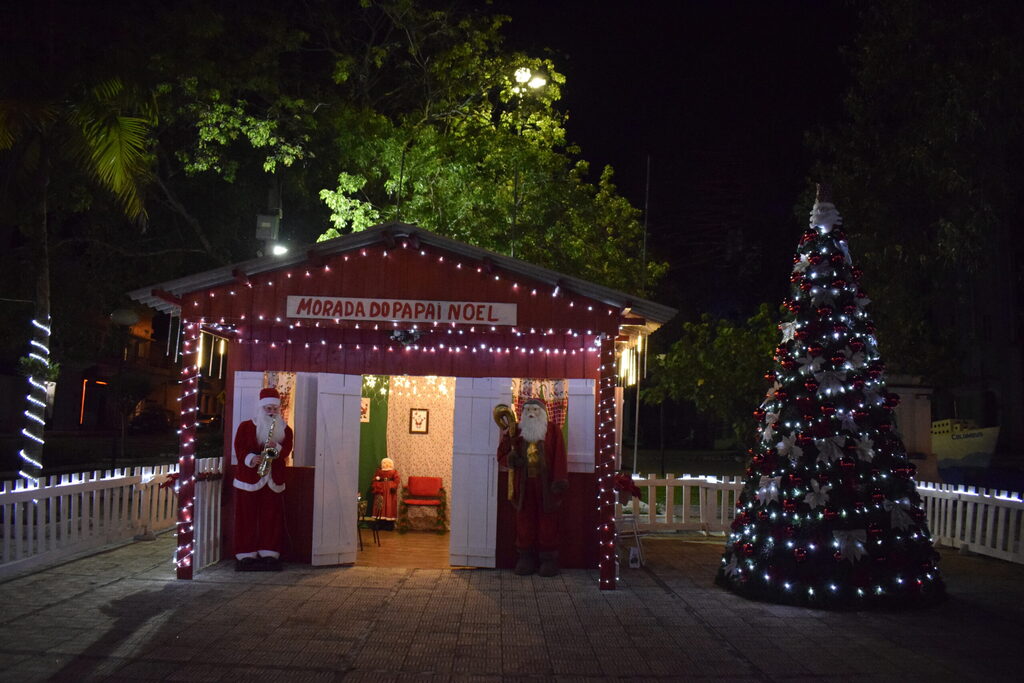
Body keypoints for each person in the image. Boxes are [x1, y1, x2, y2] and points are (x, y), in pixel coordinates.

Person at [496, 398, 568, 576]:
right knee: (524, 521)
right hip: (524, 484)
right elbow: (503, 454)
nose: (531, 413)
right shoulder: (516, 431)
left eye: (535, 410)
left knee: (548, 521)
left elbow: (559, 456)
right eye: (528, 410)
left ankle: (548, 559)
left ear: (543, 413)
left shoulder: (553, 431)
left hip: (546, 485)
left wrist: (559, 480)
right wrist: (512, 459)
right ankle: (525, 558)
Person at [233, 387, 293, 571]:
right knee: (246, 517)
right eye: (268, 408)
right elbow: (239, 447)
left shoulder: (285, 430)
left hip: (273, 480)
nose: (272, 412)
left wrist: (277, 448)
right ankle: (245, 553)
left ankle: (270, 552)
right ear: (261, 408)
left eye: (275, 409)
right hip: (249, 478)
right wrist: (251, 458)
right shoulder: (246, 427)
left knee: (272, 517)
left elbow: (286, 450)